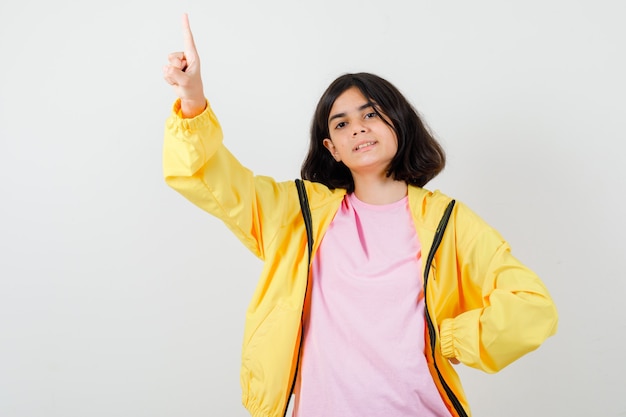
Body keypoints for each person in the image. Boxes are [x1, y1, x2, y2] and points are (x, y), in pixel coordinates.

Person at [162, 14, 558, 417]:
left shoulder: (448, 222)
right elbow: (205, 177)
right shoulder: (297, 215)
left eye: (370, 114)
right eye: (342, 123)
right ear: (332, 148)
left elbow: (532, 306)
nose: (358, 129)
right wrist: (192, 98)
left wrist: (453, 338)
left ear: (397, 123)